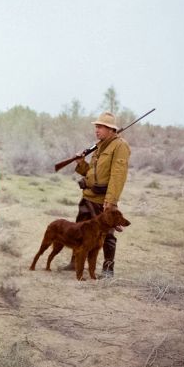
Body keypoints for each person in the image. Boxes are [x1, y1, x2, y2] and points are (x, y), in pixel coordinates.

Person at [62, 111, 131, 278]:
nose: (97, 130)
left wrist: (111, 201)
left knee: (106, 235)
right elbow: (91, 173)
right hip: (88, 197)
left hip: (103, 200)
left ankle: (108, 270)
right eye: (96, 127)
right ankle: (75, 263)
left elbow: (117, 175)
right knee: (79, 230)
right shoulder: (100, 146)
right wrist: (80, 163)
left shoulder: (120, 146)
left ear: (111, 129)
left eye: (100, 127)